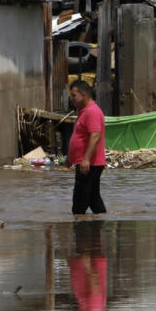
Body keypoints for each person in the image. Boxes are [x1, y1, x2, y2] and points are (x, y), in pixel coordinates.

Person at [67, 80, 107, 215]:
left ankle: (81, 232)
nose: (71, 99)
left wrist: (86, 160)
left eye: (74, 95)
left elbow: (95, 136)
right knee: (93, 198)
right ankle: (99, 228)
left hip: (90, 164)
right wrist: (69, 157)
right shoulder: (83, 111)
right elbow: (79, 137)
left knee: (80, 202)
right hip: (85, 162)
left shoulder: (92, 112)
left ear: (84, 94)